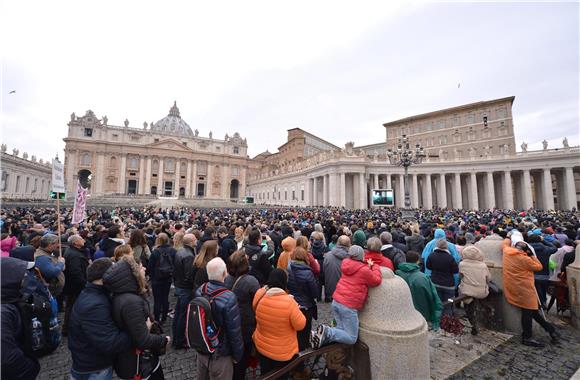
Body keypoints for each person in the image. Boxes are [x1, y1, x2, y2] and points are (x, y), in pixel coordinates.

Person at [103, 255, 170, 380]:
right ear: (132, 274)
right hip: (140, 364)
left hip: (135, 360)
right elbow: (142, 340)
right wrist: (163, 339)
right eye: (140, 267)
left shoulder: (124, 295)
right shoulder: (131, 302)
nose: (144, 268)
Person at [68, 258, 132, 380]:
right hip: (94, 370)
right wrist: (138, 330)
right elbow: (111, 343)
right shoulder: (94, 305)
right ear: (106, 277)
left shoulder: (95, 294)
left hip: (92, 364)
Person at [312, 245, 381, 348]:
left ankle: (319, 335)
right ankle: (327, 331)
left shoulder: (345, 263)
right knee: (351, 338)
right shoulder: (364, 270)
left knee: (341, 331)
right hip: (349, 306)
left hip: (337, 301)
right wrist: (374, 267)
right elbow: (376, 281)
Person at [502, 232, 559, 347]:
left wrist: (508, 237)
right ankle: (527, 336)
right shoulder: (525, 259)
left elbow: (504, 244)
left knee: (532, 311)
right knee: (529, 311)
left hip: (512, 285)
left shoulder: (507, 252)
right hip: (524, 287)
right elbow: (539, 266)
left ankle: (550, 330)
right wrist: (531, 255)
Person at [195, 258, 244, 380]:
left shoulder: (200, 290)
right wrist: (237, 355)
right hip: (220, 354)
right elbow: (234, 331)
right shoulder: (229, 297)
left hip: (202, 350)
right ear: (224, 273)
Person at [253, 269, 306, 379]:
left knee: (266, 374)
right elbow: (300, 325)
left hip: (262, 346)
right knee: (281, 376)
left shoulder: (260, 294)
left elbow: (255, 308)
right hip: (281, 352)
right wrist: (296, 307)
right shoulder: (289, 302)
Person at [1, 257, 41, 380]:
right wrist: (30, 367)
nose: (25, 276)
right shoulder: (2, 312)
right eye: (21, 273)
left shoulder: (10, 299)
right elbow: (6, 358)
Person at [225, 251, 260, 380]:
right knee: (244, 352)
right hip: (246, 322)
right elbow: (257, 302)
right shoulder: (251, 281)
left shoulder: (227, 278)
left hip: (230, 319)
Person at [396, 251, 442, 331]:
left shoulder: (396, 274)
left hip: (401, 314)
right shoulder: (423, 277)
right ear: (417, 261)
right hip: (421, 315)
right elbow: (433, 297)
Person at [287, 246, 318, 356]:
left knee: (294, 330)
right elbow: (314, 292)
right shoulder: (307, 272)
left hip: (293, 304)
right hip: (305, 306)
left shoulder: (289, 268)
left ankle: (294, 349)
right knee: (305, 330)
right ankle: (303, 353)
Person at [458, 245, 490, 335]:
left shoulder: (462, 264)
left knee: (465, 298)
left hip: (467, 291)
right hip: (482, 292)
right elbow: (488, 279)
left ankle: (472, 322)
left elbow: (460, 276)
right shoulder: (483, 265)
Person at [172, 233, 196, 349]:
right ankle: (179, 340)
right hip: (185, 288)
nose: (196, 241)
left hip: (180, 285)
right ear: (191, 242)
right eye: (195, 239)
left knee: (178, 313)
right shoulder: (189, 256)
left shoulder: (180, 251)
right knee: (182, 314)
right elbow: (188, 275)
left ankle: (176, 337)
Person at [62, 234, 89, 336]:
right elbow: (76, 272)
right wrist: (84, 283)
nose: (83, 240)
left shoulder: (74, 252)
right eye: (81, 239)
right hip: (75, 286)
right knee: (72, 306)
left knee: (71, 306)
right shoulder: (74, 255)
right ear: (75, 243)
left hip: (73, 285)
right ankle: (68, 328)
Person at [426, 239, 459, 316]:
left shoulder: (432, 255)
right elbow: (455, 271)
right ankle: (447, 322)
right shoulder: (450, 258)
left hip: (435, 282)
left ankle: (437, 320)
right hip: (448, 285)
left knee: (437, 302)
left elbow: (428, 266)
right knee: (449, 303)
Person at [148, 233, 176, 323]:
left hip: (156, 279)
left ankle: (156, 319)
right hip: (167, 278)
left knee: (157, 300)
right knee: (165, 297)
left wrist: (151, 276)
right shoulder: (173, 251)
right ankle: (164, 317)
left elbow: (150, 266)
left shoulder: (155, 252)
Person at [528, 233, 557, 309]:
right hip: (544, 274)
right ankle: (543, 302)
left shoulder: (527, 249)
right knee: (543, 288)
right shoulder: (546, 249)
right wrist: (544, 240)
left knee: (533, 290)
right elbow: (554, 247)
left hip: (531, 273)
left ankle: (536, 303)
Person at [34, 233, 66, 298]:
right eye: (56, 243)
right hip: (50, 292)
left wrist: (60, 266)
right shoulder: (41, 257)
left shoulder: (46, 253)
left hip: (55, 290)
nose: (58, 245)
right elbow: (51, 272)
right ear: (50, 245)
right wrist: (61, 263)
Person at [323, 235, 351, 302]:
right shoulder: (351, 258)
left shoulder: (328, 256)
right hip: (345, 292)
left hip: (331, 290)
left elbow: (324, 271)